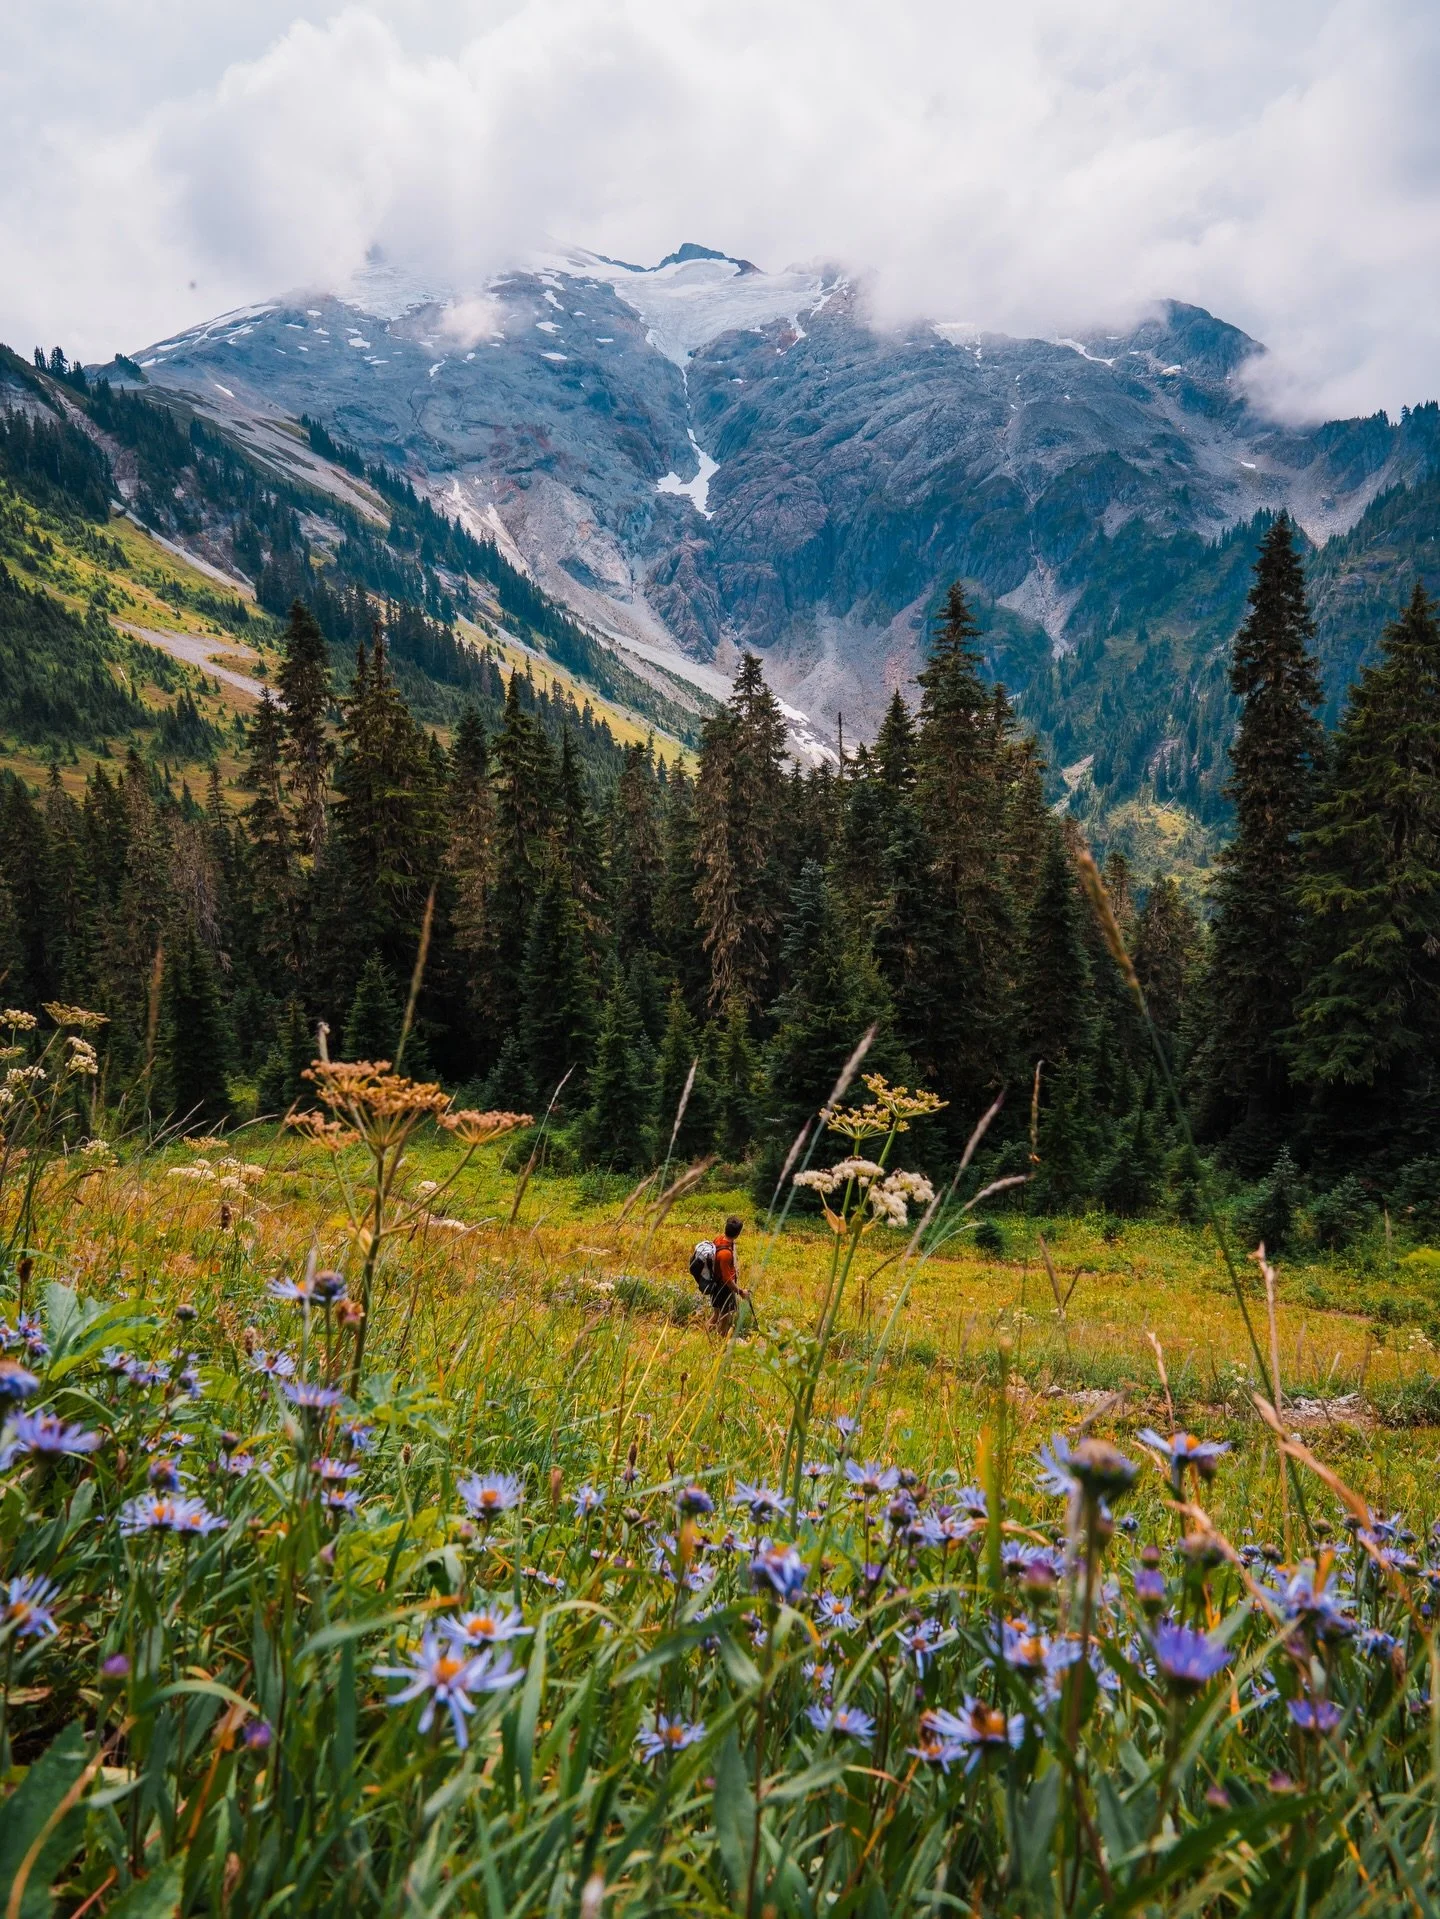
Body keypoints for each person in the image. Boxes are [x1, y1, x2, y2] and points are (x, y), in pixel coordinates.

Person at [711, 1214, 746, 1329]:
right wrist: (740, 1292)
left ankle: (706, 1337)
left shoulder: (718, 1239)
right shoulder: (726, 1254)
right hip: (723, 1289)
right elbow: (727, 1280)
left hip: (714, 1284)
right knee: (725, 1317)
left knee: (715, 1315)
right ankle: (721, 1343)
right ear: (737, 1234)